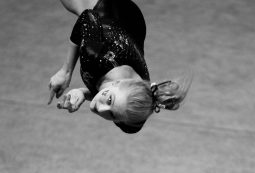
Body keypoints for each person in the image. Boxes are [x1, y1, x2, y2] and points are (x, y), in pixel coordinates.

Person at [48, 0, 192, 133]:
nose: (101, 107)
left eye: (112, 114)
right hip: (110, 8)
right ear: (117, 82)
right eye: (109, 100)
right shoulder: (95, 55)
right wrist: (65, 72)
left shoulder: (133, 112)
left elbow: (119, 104)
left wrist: (83, 93)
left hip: (132, 29)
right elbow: (87, 17)